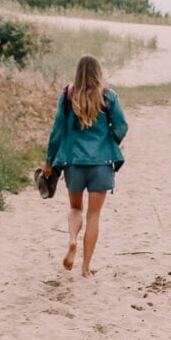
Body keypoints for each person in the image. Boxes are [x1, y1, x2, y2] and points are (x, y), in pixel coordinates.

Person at [42, 55, 128, 277]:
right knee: (94, 216)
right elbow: (122, 126)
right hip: (101, 163)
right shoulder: (108, 96)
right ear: (98, 72)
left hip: (74, 163)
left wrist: (49, 160)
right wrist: (110, 143)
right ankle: (85, 268)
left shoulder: (68, 95)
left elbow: (57, 130)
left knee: (75, 208)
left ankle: (72, 240)